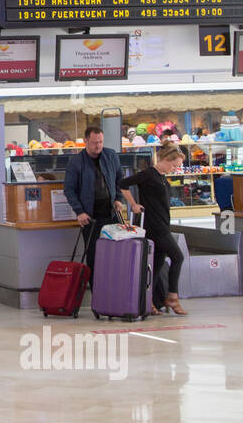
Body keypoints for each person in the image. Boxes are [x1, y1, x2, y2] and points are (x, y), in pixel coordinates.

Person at [118, 143, 189, 316]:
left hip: (163, 223)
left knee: (157, 263)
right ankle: (172, 296)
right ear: (165, 159)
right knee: (178, 257)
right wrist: (133, 204)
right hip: (155, 225)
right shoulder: (149, 174)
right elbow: (123, 184)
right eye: (174, 165)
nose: (174, 169)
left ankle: (148, 300)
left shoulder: (163, 177)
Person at [63, 126, 139, 275]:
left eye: (100, 142)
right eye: (94, 142)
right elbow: (69, 190)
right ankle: (96, 293)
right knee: (93, 257)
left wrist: (118, 198)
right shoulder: (76, 162)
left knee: (115, 254)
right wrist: (79, 212)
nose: (98, 145)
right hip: (89, 218)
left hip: (111, 214)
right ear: (85, 141)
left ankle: (113, 289)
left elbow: (119, 179)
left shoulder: (110, 155)